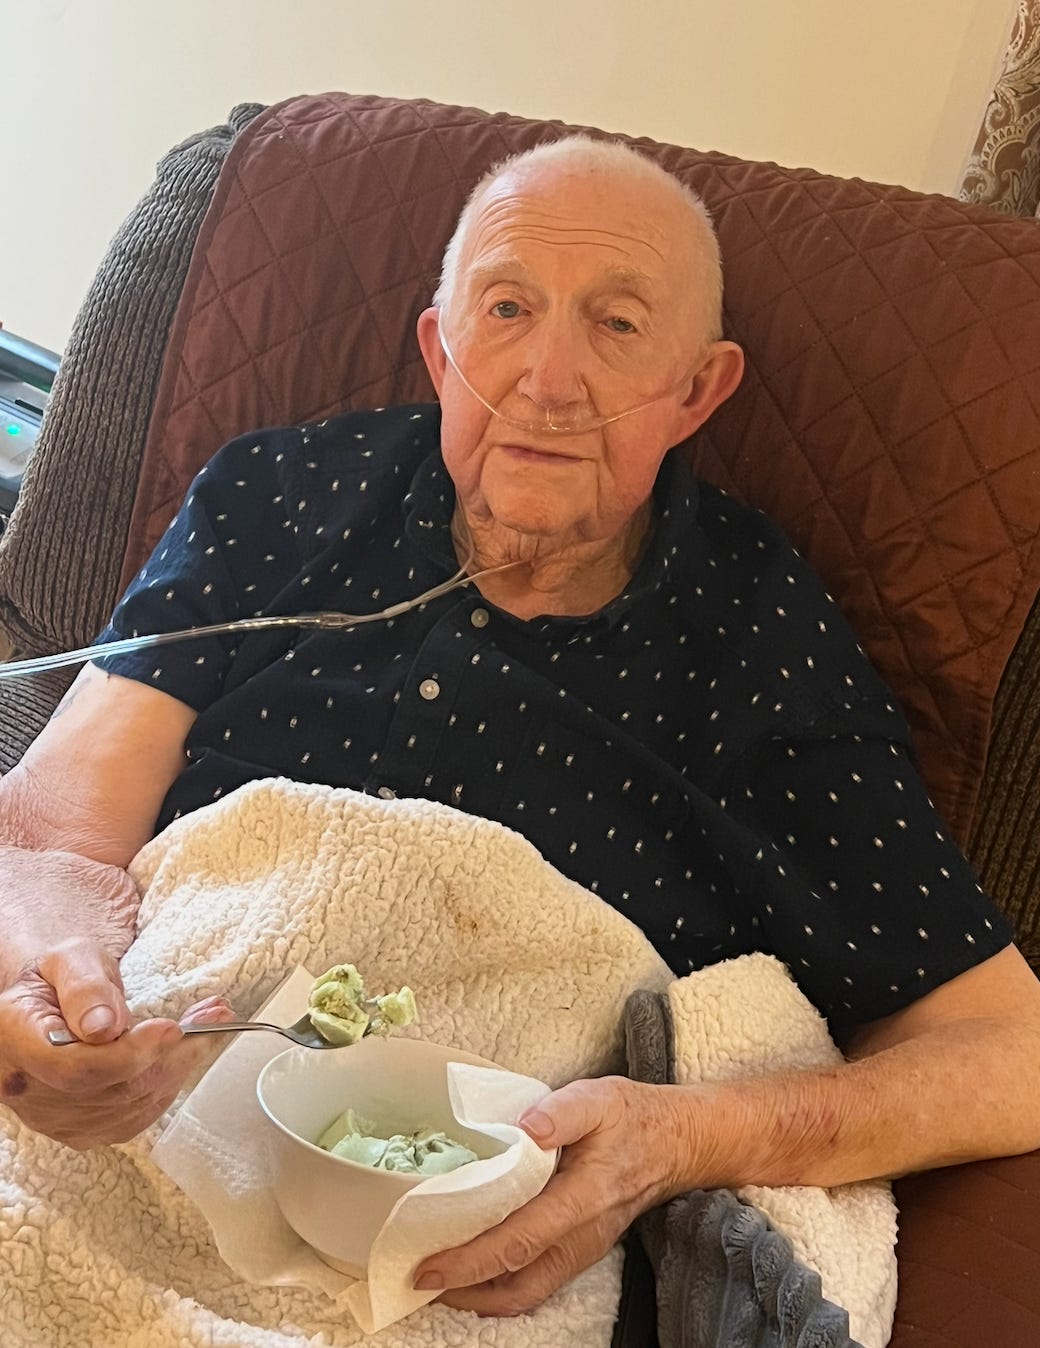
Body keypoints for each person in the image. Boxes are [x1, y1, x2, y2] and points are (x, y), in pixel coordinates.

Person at [1, 135, 1039, 1319]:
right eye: (506, 309)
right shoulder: (271, 495)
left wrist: (679, 1137)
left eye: (616, 325)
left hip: (481, 1233)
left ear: (696, 390)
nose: (547, 378)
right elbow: (46, 835)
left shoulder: (761, 634)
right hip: (167, 1101)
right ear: (443, 352)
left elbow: (1007, 1052)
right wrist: (50, 995)